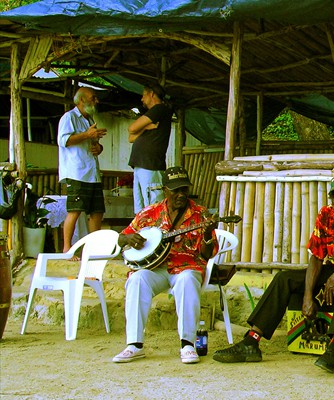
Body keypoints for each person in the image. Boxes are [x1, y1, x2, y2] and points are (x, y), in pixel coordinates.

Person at [213, 174, 334, 373]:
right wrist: (308, 296)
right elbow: (316, 257)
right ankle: (251, 341)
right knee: (285, 278)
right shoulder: (326, 214)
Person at [112, 166, 218, 365]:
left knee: (187, 279)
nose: (180, 195)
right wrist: (128, 238)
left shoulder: (200, 214)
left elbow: (206, 255)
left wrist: (206, 234)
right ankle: (134, 345)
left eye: (184, 190)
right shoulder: (149, 213)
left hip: (187, 266)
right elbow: (121, 237)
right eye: (175, 190)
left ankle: (187, 344)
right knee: (137, 279)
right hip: (156, 269)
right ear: (165, 190)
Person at [57, 87, 107, 253]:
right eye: (93, 98)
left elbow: (93, 145)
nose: (96, 101)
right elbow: (63, 140)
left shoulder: (89, 119)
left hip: (92, 173)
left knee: (97, 211)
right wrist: (87, 135)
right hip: (77, 172)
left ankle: (94, 249)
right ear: (81, 100)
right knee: (75, 211)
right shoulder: (69, 117)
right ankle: (66, 248)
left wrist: (98, 148)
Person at [127, 83, 173, 213]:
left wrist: (141, 128)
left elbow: (131, 128)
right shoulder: (150, 119)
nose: (142, 99)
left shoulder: (159, 109)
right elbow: (131, 138)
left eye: (143, 95)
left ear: (152, 94)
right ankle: (142, 232)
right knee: (141, 209)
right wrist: (145, 128)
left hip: (150, 164)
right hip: (142, 165)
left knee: (153, 208)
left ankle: (155, 232)